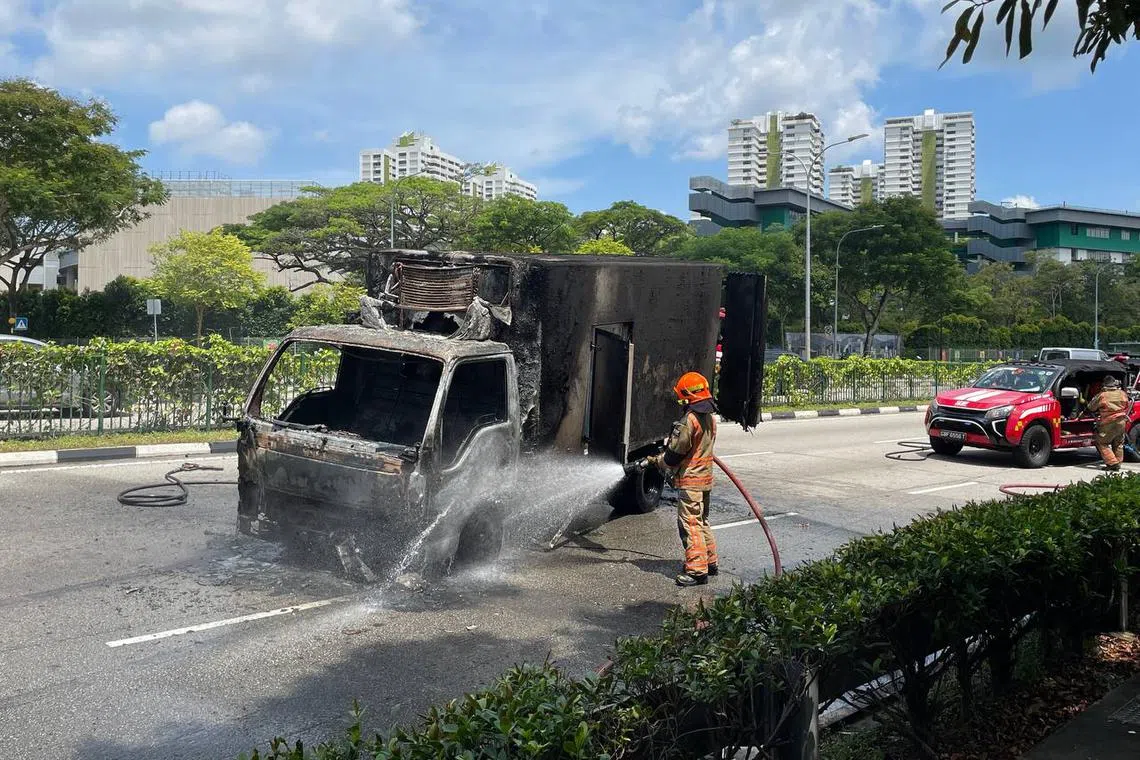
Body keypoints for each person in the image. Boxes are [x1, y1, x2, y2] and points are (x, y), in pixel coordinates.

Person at [648, 371, 720, 587]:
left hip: (691, 482)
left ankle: (698, 571)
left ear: (688, 396)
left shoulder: (689, 420)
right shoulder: (710, 418)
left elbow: (673, 456)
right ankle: (710, 562)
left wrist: (656, 461)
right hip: (706, 479)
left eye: (683, 398)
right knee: (702, 521)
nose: (682, 402)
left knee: (690, 524)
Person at [1087, 375, 1130, 471]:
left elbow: (1091, 407)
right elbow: (1127, 405)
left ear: (1104, 384)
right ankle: (1118, 463)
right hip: (1122, 420)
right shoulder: (1122, 393)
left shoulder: (1102, 395)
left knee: (1102, 442)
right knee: (1118, 443)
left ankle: (1112, 463)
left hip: (1108, 422)